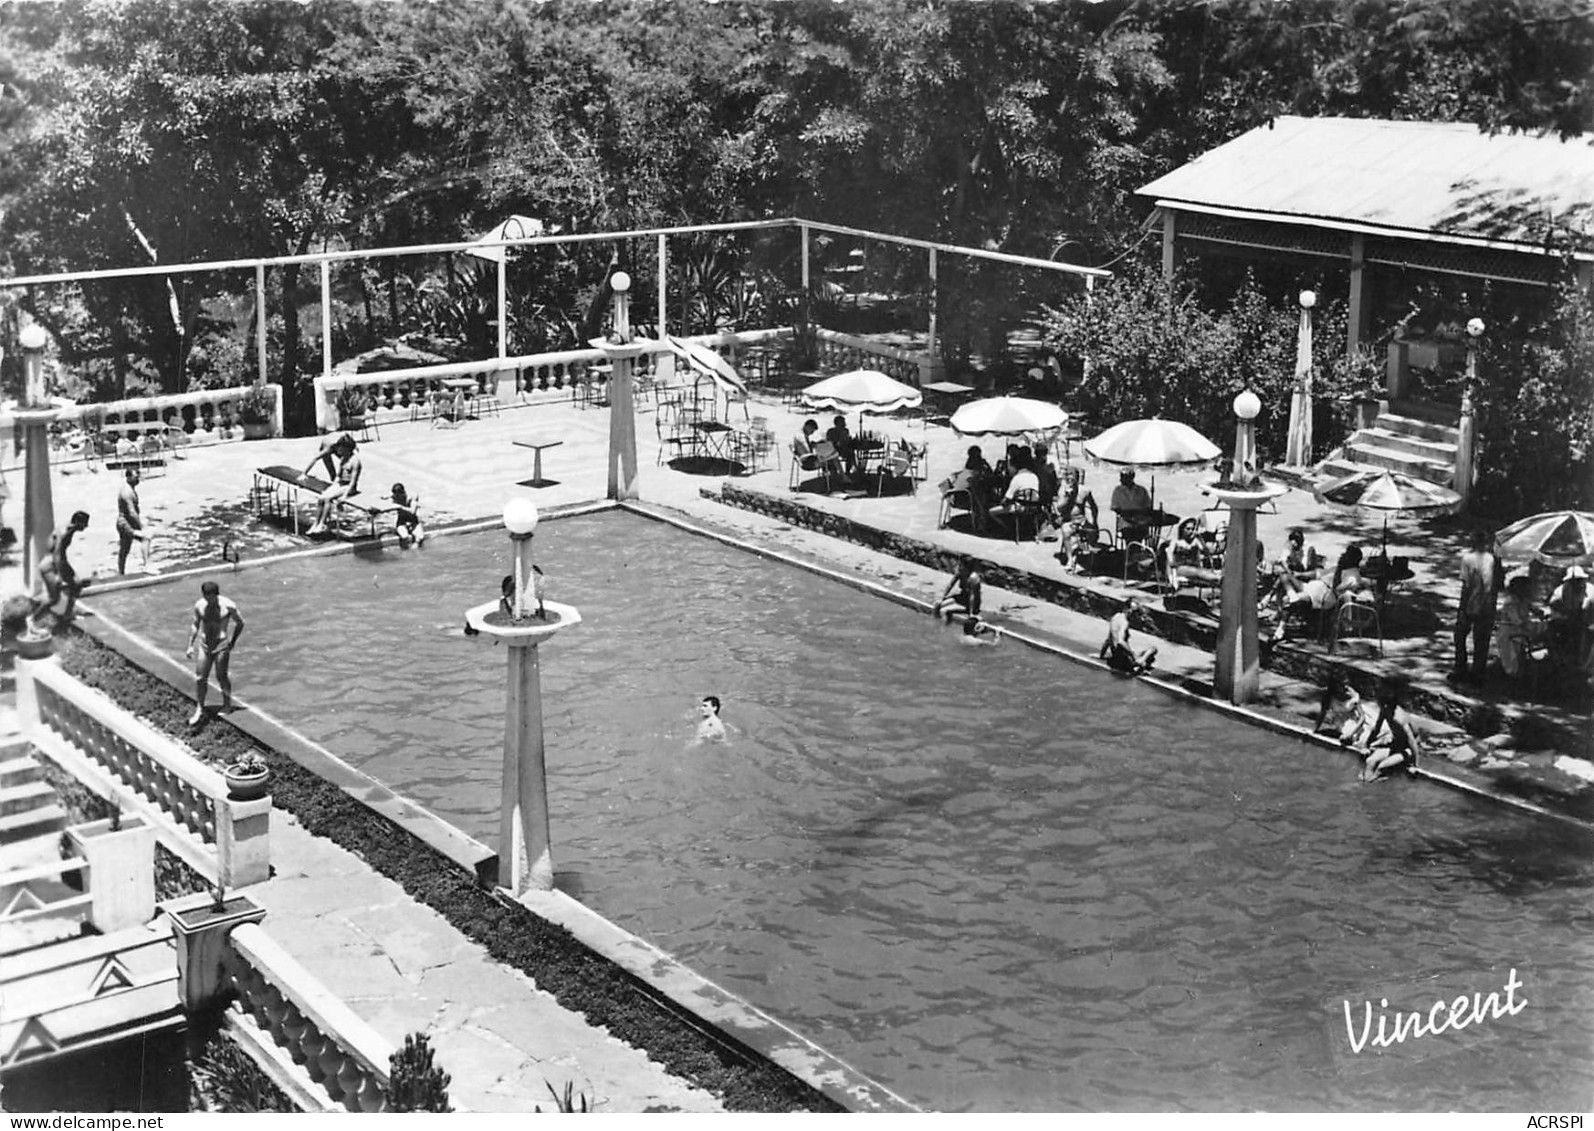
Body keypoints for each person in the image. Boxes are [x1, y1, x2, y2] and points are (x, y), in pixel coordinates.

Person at [185, 580, 244, 727]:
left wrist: (233, 641)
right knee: (200, 677)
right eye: (206, 597)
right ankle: (199, 708)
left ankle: (227, 704)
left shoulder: (228, 605)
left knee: (221, 675)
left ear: (216, 595)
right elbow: (195, 624)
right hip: (204, 644)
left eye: (211, 597)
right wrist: (190, 645)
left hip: (221, 644)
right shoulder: (199, 605)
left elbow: (240, 623)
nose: (208, 600)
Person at [1452, 528, 1503, 685]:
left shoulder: (1468, 559)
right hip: (1488, 605)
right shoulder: (1494, 559)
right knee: (1482, 641)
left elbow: (1466, 587)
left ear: (1473, 542)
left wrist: (1461, 609)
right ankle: (1477, 674)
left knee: (1460, 635)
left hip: (1471, 603)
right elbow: (1500, 584)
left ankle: (1461, 668)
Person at [1354, 676, 1422, 782]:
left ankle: (1373, 781)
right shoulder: (1385, 710)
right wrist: (1366, 746)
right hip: (1395, 745)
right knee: (1370, 761)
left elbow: (1412, 741)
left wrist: (1415, 765)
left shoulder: (1399, 717)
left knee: (1382, 766)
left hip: (1407, 749)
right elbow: (1376, 729)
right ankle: (1367, 783)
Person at [33, 510, 91, 625]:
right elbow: (57, 554)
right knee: (53, 599)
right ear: (77, 522)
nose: (86, 526)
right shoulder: (65, 532)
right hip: (50, 565)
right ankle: (32, 620)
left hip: (60, 563)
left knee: (77, 584)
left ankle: (67, 615)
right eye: (84, 523)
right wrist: (59, 575)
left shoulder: (69, 528)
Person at [306, 435, 361, 536]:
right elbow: (338, 476)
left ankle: (322, 524)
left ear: (347, 448)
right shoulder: (344, 459)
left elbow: (353, 481)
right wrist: (332, 487)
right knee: (321, 497)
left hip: (349, 487)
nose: (339, 450)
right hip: (341, 484)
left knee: (327, 498)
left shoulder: (355, 462)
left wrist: (344, 496)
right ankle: (316, 523)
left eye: (341, 448)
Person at [1495, 574, 1543, 682]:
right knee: (1512, 663)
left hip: (1519, 633)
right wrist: (1533, 626)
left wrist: (1539, 612)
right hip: (1509, 634)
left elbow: (1533, 609)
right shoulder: (1511, 602)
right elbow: (1517, 621)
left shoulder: (1523, 600)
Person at [1055, 467, 1100, 574]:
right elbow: (1059, 508)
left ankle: (1089, 559)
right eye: (1068, 476)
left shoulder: (1084, 491)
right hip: (1068, 520)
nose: (1070, 479)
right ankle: (1070, 559)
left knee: (1093, 533)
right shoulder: (1062, 490)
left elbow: (1094, 507)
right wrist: (1067, 497)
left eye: (1072, 476)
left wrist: (1094, 522)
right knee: (1066, 532)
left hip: (1081, 520)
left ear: (1077, 478)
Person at [1100, 599, 1157, 674]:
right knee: (1153, 649)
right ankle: (1139, 664)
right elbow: (1120, 642)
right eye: (1134, 612)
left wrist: (1101, 655)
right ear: (1128, 610)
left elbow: (1108, 639)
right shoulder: (1124, 622)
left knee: (1146, 654)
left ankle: (1139, 664)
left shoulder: (1115, 617)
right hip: (1125, 660)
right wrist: (1133, 656)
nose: (1134, 614)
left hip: (1115, 657)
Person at [1109, 468, 1154, 546]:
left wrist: (1139, 514)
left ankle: (1137, 552)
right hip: (1125, 522)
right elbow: (1115, 507)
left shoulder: (1141, 490)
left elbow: (1148, 506)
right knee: (1129, 535)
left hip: (1141, 521)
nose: (1121, 479)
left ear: (1131, 477)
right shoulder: (1118, 490)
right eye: (1122, 477)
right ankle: (1130, 553)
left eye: (1125, 477)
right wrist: (1128, 514)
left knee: (1140, 534)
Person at [115, 467, 146, 574]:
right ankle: (148, 565)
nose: (137, 479)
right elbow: (132, 512)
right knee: (145, 538)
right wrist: (142, 527)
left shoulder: (130, 489)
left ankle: (120, 572)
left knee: (124, 549)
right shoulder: (126, 492)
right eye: (135, 477)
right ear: (128, 477)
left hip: (127, 522)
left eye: (138, 477)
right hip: (125, 524)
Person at [934, 558, 983, 623]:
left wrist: (971, 613)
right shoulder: (960, 573)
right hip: (962, 597)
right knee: (938, 605)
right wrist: (942, 598)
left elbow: (972, 596)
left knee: (944, 610)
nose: (958, 566)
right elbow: (950, 585)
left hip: (969, 604)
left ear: (966, 567)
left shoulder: (973, 578)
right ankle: (935, 622)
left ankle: (944, 625)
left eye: (960, 565)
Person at [388, 482, 426, 547]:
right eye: (395, 495)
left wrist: (400, 507)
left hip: (413, 521)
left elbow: (412, 511)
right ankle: (405, 551)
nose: (396, 497)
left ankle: (414, 554)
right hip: (402, 522)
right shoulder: (394, 497)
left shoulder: (411, 498)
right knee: (404, 537)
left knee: (420, 538)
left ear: (403, 493)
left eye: (398, 495)